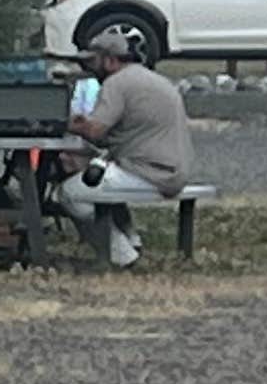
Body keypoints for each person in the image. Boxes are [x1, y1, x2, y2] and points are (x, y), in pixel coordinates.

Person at [56, 32, 195, 266]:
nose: (89, 69)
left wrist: (66, 123)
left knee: (69, 194)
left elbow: (95, 131)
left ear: (110, 60)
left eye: (93, 61)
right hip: (172, 168)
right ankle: (132, 239)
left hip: (150, 172)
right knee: (100, 177)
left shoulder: (116, 83)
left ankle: (122, 256)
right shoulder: (151, 78)